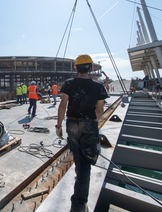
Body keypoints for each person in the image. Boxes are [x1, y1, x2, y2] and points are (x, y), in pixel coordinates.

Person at [56, 54, 108, 212]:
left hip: (71, 124)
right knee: (85, 165)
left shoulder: (68, 84)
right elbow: (100, 111)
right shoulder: (98, 87)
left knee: (78, 158)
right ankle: (78, 207)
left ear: (76, 68)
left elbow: (62, 106)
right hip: (89, 125)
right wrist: (91, 123)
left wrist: (58, 125)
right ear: (91, 68)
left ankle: (79, 190)